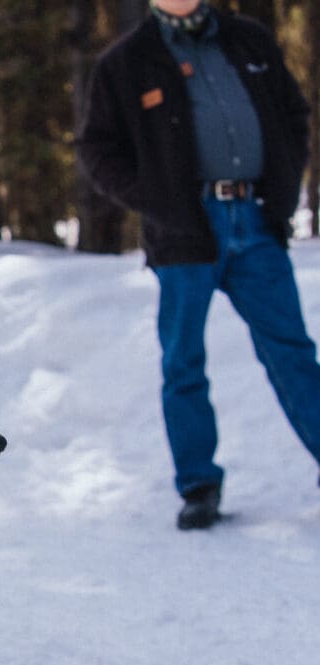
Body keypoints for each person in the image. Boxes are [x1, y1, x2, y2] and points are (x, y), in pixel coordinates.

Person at [76, 0, 320, 530]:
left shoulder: (248, 40)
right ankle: (199, 486)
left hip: (256, 219)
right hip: (184, 228)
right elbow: (97, 150)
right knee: (183, 360)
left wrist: (279, 195)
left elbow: (294, 116)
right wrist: (158, 200)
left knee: (293, 351)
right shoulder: (126, 61)